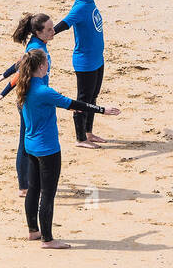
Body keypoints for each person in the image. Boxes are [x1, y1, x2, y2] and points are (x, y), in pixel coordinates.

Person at [12, 49, 121, 248]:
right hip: (48, 149)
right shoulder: (43, 91)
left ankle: (33, 231)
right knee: (48, 194)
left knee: (33, 189)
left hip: (30, 145)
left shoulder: (24, 85)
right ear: (42, 66)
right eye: (47, 62)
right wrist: (102, 110)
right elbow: (73, 104)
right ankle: (48, 239)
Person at [0, 12, 57, 194]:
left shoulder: (38, 44)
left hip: (37, 99)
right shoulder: (38, 48)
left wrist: (2, 75)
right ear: (38, 31)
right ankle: (24, 185)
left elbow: (20, 63)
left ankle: (30, 180)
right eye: (49, 29)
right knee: (26, 141)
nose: (54, 32)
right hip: (30, 101)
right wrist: (3, 92)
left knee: (31, 139)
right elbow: (21, 73)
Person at [51, 0, 109, 148]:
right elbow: (65, 23)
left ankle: (88, 132)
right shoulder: (81, 6)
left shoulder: (88, 1)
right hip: (85, 62)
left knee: (93, 98)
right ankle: (80, 138)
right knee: (83, 100)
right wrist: (48, 34)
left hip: (97, 59)